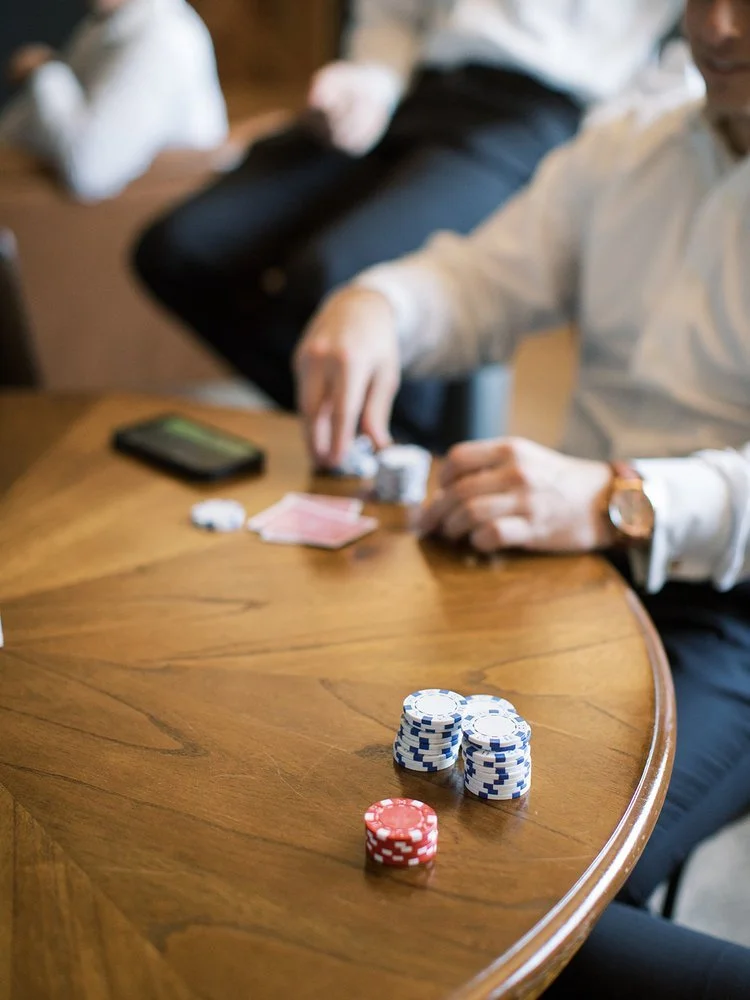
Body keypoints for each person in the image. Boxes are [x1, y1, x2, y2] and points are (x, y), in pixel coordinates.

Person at [293, 0, 750, 994]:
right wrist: (379, 304)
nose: (717, 28)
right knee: (339, 766)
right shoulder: (632, 135)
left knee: (527, 889)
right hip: (575, 565)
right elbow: (476, 282)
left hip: (736, 611)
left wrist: (622, 498)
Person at [133, 0, 683, 451]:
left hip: (540, 115)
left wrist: (625, 139)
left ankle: (401, 447)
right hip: (417, 87)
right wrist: (368, 82)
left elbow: (694, 54)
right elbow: (392, 15)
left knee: (330, 275)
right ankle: (382, 435)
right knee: (177, 247)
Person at [0, 0, 228, 202]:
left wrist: (44, 71)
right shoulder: (104, 26)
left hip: (125, 227)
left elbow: (91, 169)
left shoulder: (163, 38)